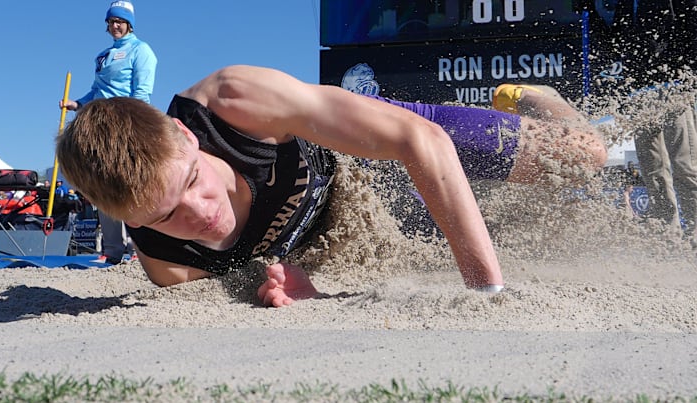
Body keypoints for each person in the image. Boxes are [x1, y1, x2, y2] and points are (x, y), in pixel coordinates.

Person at [56, 65, 606, 307]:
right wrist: (296, 292)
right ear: (130, 223)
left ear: (184, 136)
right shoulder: (167, 261)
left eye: (193, 182)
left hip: (367, 156)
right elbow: (254, 288)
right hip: (357, 222)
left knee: (587, 156)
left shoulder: (237, 101)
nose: (198, 214)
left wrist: (487, 292)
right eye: (165, 215)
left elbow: (423, 142)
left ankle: (527, 97)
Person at [59, 0, 158, 264]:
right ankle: (113, 251)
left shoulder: (141, 50)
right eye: (111, 21)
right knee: (102, 184)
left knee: (132, 186)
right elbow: (96, 90)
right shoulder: (103, 56)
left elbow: (142, 91)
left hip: (125, 121)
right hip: (98, 124)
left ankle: (140, 251)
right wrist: (77, 104)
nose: (115, 25)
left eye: (120, 21)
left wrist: (136, 125)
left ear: (129, 24)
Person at [608, 0, 697, 248]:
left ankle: (695, 231)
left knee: (684, 165)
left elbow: (690, 24)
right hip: (640, 91)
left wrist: (686, 77)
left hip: (674, 87)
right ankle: (667, 233)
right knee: (652, 170)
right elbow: (618, 35)